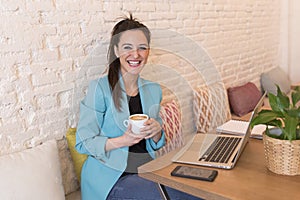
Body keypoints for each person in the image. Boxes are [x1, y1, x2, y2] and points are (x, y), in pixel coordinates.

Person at [75, 14, 201, 200]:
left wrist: (157, 131)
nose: (136, 54)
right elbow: (83, 142)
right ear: (116, 50)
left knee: (197, 188)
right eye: (128, 47)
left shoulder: (153, 90)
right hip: (111, 177)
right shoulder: (99, 89)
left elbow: (155, 143)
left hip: (146, 169)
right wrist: (123, 140)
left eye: (142, 48)